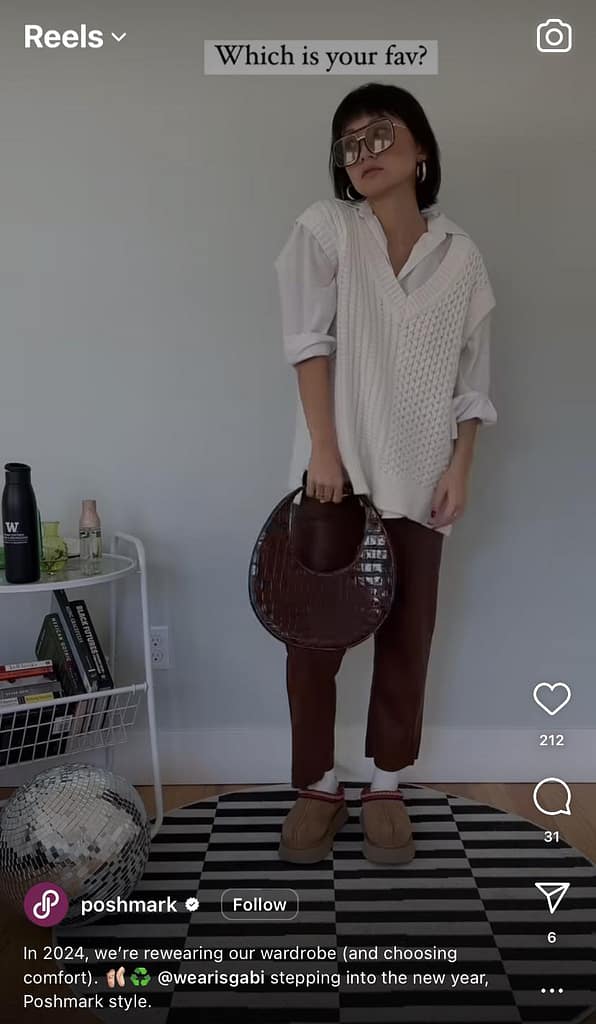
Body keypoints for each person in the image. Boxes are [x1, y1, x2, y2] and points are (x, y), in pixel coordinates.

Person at [273, 82, 497, 865]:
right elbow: (307, 343)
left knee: (409, 636)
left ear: (420, 148)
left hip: (425, 476)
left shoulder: (462, 256)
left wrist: (462, 466)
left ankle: (386, 783)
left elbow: (473, 381)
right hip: (334, 476)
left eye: (380, 134)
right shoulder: (328, 228)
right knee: (313, 641)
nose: (363, 151)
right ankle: (317, 786)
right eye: (350, 142)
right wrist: (324, 451)